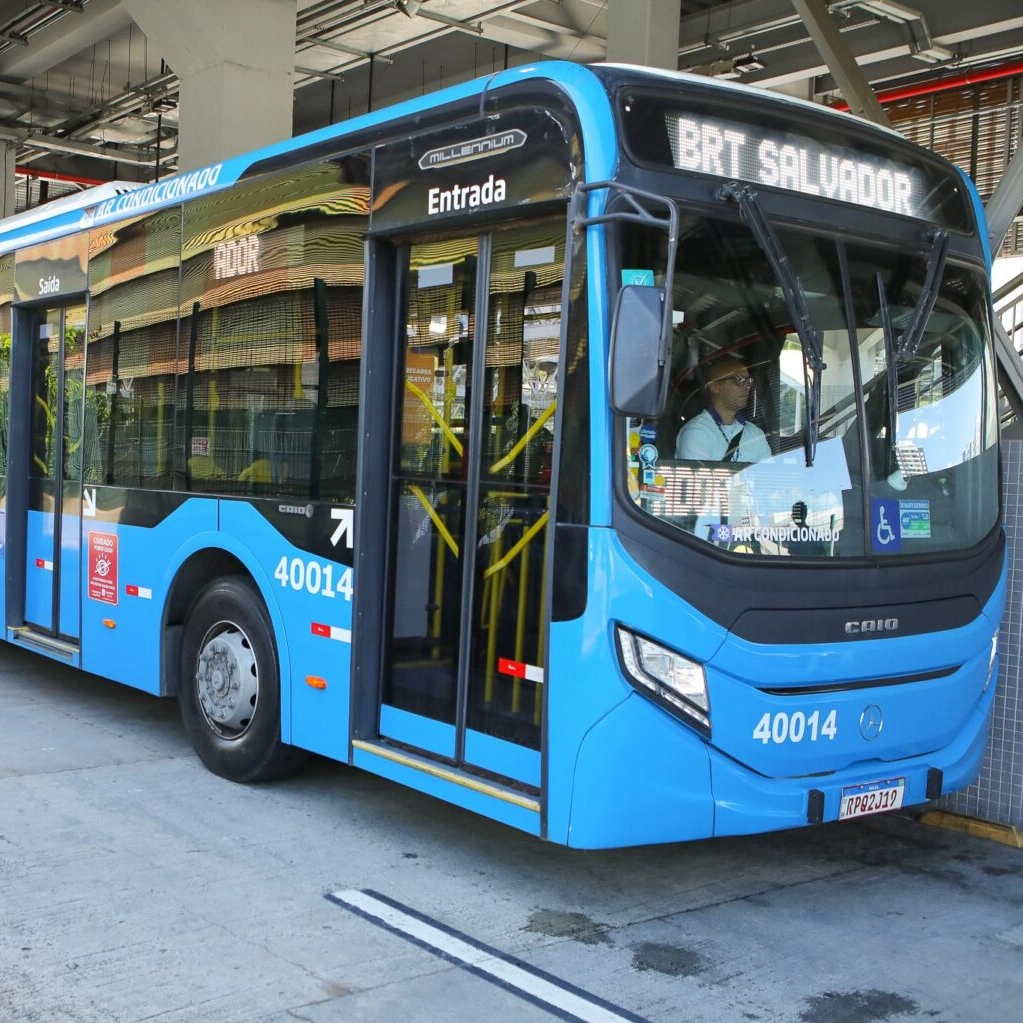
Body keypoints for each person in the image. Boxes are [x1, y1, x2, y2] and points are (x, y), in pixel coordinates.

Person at [675, 356, 771, 463]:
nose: (747, 387)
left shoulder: (755, 433)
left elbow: (768, 476)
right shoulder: (696, 432)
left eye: (749, 381)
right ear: (715, 386)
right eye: (740, 380)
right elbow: (699, 478)